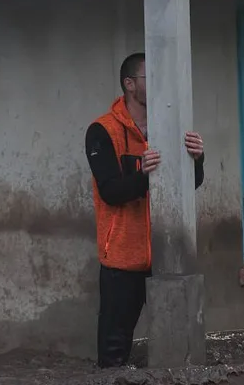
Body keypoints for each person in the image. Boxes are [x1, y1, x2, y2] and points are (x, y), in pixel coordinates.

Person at [85, 52, 205, 368]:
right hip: (123, 258)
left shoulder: (168, 127)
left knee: (180, 355)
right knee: (113, 356)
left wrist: (197, 158)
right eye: (148, 77)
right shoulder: (102, 131)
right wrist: (144, 177)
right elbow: (110, 191)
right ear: (129, 84)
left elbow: (189, 185)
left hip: (165, 255)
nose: (158, 84)